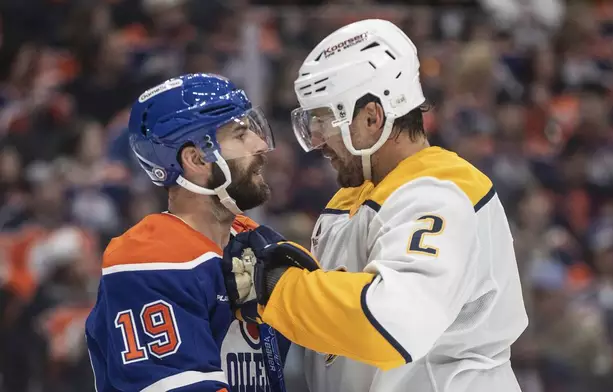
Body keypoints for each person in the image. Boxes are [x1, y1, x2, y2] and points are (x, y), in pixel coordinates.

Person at [224, 19, 529, 392]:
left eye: (323, 121)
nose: (318, 140)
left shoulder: (441, 193)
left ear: (372, 117)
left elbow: (394, 324)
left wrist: (277, 285)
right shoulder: (354, 198)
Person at [85, 73, 284, 392]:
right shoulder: (150, 260)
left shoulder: (259, 243)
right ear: (196, 159)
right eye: (241, 134)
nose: (260, 145)